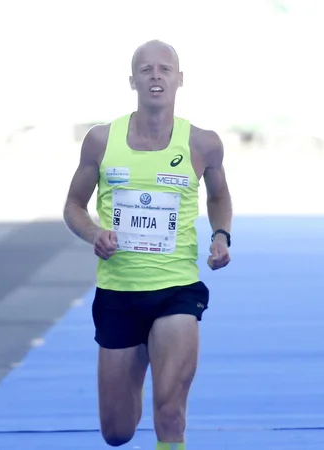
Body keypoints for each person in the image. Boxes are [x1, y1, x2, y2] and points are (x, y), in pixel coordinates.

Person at [62, 40, 233, 449]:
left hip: (176, 290)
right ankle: (134, 368)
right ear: (133, 81)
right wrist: (93, 233)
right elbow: (73, 205)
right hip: (119, 293)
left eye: (164, 69)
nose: (156, 75)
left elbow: (218, 196)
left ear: (178, 79)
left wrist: (221, 236)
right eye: (146, 69)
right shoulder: (102, 140)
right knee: (116, 431)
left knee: (171, 413)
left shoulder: (203, 143)